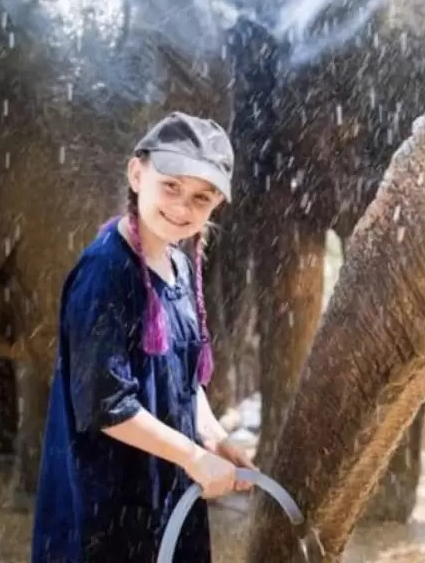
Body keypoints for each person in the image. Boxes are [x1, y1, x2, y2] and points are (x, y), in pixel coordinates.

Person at [31, 112, 256, 563]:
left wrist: (212, 437)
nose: (182, 207)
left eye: (201, 197)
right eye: (170, 186)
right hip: (105, 513)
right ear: (137, 174)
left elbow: (183, 381)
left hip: (165, 502)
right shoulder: (105, 273)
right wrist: (192, 457)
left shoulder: (178, 267)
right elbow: (107, 405)